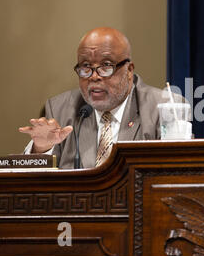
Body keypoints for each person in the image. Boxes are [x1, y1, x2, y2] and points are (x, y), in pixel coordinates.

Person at [19, 27, 183, 169]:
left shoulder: (166, 108)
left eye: (106, 66)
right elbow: (33, 188)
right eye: (86, 67)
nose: (94, 77)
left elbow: (175, 177)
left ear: (129, 70)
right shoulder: (60, 109)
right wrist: (41, 149)